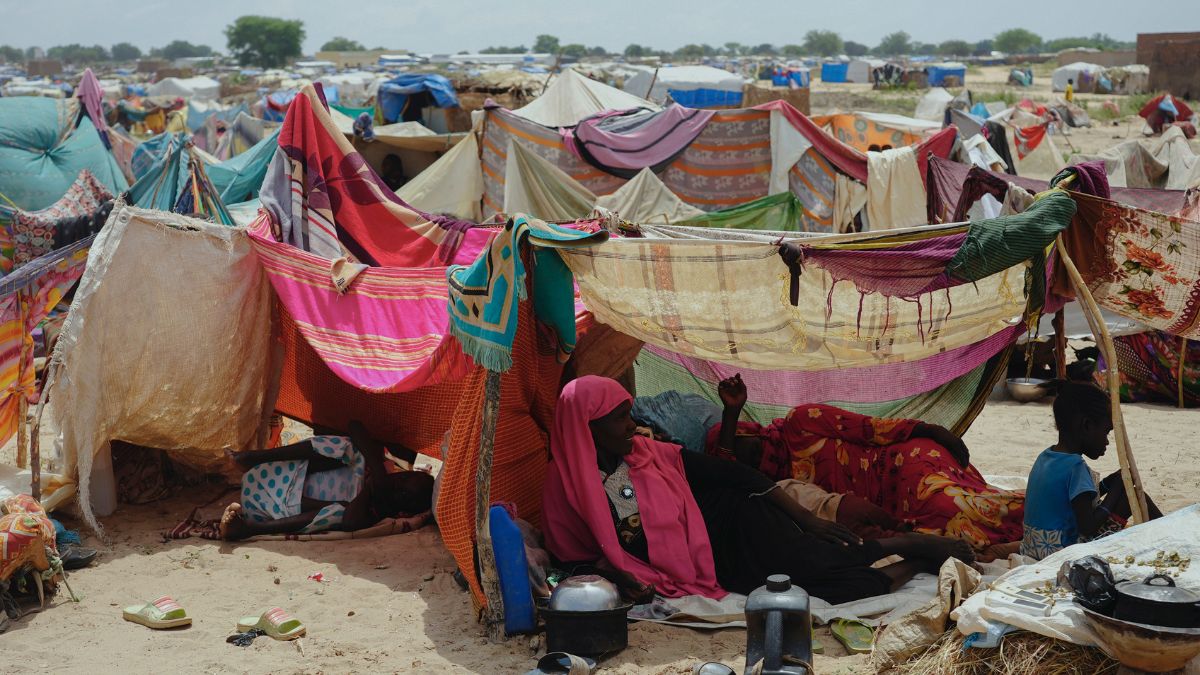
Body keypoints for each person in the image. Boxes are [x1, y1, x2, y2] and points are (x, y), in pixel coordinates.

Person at [543, 376, 974, 604]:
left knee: (819, 560)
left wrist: (804, 519)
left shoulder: (648, 453)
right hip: (716, 564)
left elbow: (737, 477)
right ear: (586, 427)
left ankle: (906, 542)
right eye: (618, 419)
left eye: (626, 415)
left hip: (737, 522)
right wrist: (618, 574)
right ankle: (917, 559)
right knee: (839, 590)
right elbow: (572, 563)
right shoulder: (563, 492)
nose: (629, 425)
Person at [706, 375, 1025, 551]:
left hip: (902, 462)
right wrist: (730, 414)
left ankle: (1047, 515)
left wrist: (934, 431)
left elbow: (872, 429)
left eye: (740, 444)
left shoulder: (800, 422)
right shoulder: (777, 493)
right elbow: (728, 475)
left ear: (751, 432)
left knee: (949, 507)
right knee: (944, 528)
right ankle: (1037, 527)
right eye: (733, 455)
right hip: (887, 506)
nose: (745, 457)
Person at [219, 421, 433, 541]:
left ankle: (250, 528)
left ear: (403, 512)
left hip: (275, 507)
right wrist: (377, 470)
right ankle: (252, 457)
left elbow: (351, 523)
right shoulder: (381, 463)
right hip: (274, 472)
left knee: (341, 513)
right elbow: (355, 426)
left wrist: (369, 489)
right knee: (349, 449)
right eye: (404, 477)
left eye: (403, 493)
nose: (397, 484)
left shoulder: (379, 510)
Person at [1020, 382, 1162, 560]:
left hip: (1034, 547)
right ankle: (1172, 534)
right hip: (1061, 553)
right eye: (1106, 432)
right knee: (1131, 497)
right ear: (1086, 426)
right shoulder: (1075, 467)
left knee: (1124, 494)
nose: (1107, 442)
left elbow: (1077, 501)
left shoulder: (1046, 457)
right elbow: (1087, 526)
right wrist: (1116, 490)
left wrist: (1107, 484)